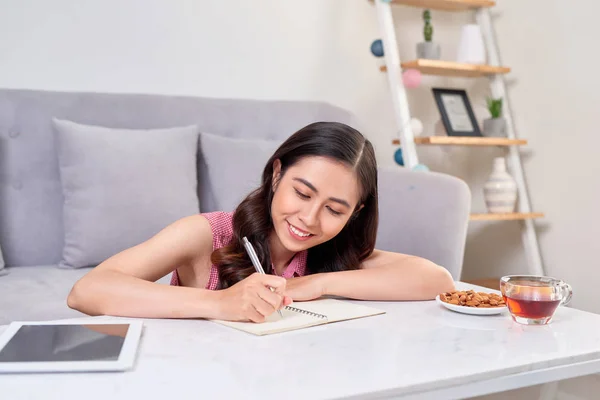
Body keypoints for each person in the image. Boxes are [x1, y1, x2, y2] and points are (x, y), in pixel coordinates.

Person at [67, 122, 455, 323]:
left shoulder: (331, 252)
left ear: (355, 213)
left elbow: (437, 280)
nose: (309, 219)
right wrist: (219, 303)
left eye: (335, 210)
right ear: (275, 175)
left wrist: (313, 283)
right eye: (302, 194)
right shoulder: (207, 235)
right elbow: (88, 291)